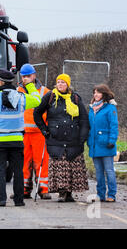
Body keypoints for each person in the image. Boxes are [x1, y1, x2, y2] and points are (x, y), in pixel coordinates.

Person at [0, 69, 41, 207]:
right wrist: (29, 85)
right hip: (17, 140)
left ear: (1, 82)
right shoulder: (21, 98)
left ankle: (1, 199)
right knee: (18, 171)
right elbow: (37, 100)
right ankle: (19, 200)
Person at [33, 74, 90, 202]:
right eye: (58, 82)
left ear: (68, 84)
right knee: (59, 166)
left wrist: (82, 137)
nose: (60, 84)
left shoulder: (75, 98)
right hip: (56, 139)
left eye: (63, 82)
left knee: (71, 167)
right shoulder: (50, 97)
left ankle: (68, 193)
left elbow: (83, 119)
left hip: (73, 139)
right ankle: (61, 193)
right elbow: (37, 113)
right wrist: (44, 130)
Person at [17, 64, 51, 200]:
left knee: (41, 162)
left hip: (39, 133)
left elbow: (51, 113)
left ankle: (43, 189)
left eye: (28, 76)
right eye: (23, 76)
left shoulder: (45, 92)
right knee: (23, 162)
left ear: (34, 76)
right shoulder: (17, 91)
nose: (25, 79)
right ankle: (24, 188)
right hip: (22, 133)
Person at [87, 84, 119, 202]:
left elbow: (114, 125)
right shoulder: (91, 109)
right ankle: (100, 194)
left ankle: (111, 194)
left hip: (106, 144)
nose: (96, 95)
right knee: (99, 172)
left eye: (98, 92)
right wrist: (89, 141)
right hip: (95, 145)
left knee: (109, 170)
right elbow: (89, 127)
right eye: (94, 92)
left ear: (104, 94)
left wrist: (112, 140)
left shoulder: (110, 108)